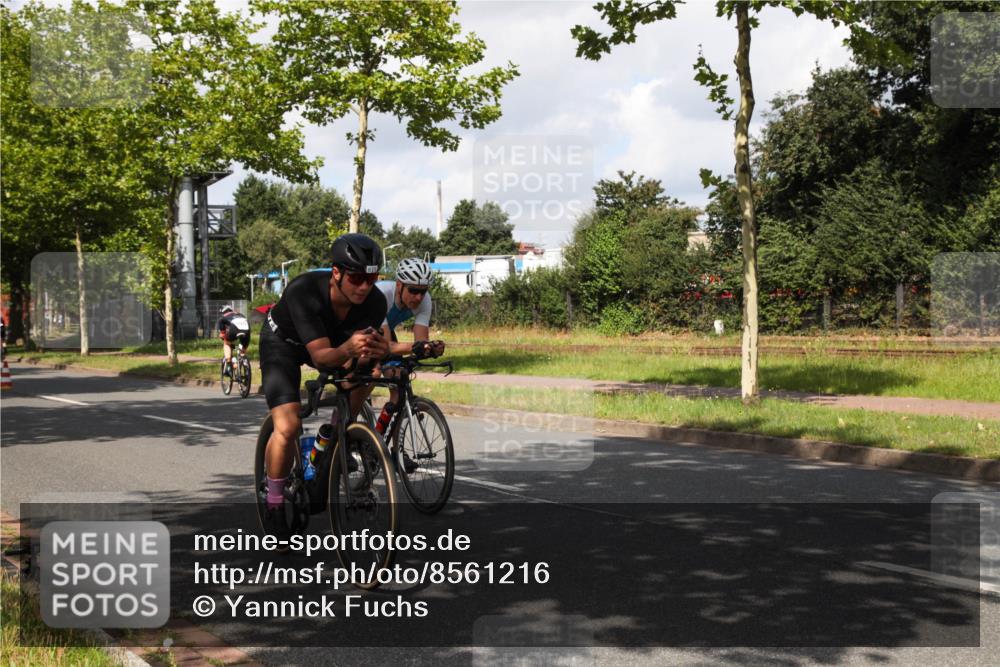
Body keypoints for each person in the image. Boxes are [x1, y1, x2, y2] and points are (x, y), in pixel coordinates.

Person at [258, 233, 389, 536]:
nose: (364, 287)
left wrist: (377, 356)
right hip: (283, 345)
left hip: (331, 344)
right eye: (356, 278)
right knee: (288, 426)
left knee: (368, 372)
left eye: (371, 279)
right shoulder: (305, 291)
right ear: (336, 273)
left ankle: (340, 429)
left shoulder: (375, 302)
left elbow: (358, 357)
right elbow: (322, 358)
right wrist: (350, 351)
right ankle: (274, 498)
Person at [374, 257, 445, 449]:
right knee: (363, 381)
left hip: (386, 335)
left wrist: (431, 349)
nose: (419, 297)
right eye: (413, 290)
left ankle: (396, 451)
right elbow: (385, 346)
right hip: (362, 332)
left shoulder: (424, 301)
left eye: (423, 291)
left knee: (399, 388)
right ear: (399, 285)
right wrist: (415, 347)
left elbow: (419, 343)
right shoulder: (382, 294)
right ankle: (345, 432)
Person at [216, 305, 250, 376]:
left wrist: (222, 333)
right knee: (243, 350)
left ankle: (228, 365)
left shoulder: (225, 316)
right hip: (247, 329)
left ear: (224, 312)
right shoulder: (240, 314)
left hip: (235, 329)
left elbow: (220, 321)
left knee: (226, 343)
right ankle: (244, 364)